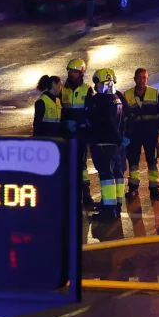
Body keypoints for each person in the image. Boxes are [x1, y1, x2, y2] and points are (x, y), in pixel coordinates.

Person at [123, 68, 159, 202]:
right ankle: (133, 188)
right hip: (134, 135)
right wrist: (127, 132)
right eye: (139, 77)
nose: (142, 80)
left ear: (147, 79)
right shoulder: (127, 95)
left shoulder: (155, 93)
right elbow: (123, 116)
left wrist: (156, 130)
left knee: (152, 161)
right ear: (134, 79)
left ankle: (154, 189)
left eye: (144, 78)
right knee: (133, 162)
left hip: (150, 135)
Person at [87, 67, 125, 217]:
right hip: (116, 144)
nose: (95, 86)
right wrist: (119, 138)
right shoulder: (117, 98)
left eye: (96, 83)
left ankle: (109, 210)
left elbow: (99, 121)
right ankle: (116, 205)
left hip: (103, 143)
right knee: (116, 173)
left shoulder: (100, 100)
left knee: (106, 176)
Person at [62, 58, 93, 206]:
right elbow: (61, 110)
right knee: (68, 163)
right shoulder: (63, 89)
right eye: (70, 71)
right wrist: (65, 123)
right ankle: (70, 195)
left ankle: (86, 194)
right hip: (67, 133)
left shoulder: (87, 90)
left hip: (81, 133)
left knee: (82, 166)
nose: (71, 74)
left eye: (74, 71)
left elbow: (90, 113)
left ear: (81, 73)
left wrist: (81, 125)